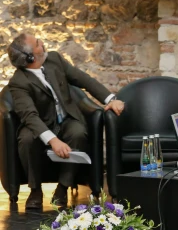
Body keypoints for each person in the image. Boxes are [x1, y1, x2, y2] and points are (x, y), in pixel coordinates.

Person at [6, 33, 127, 210]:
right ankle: (35, 190)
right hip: (38, 124)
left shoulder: (54, 59)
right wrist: (53, 141)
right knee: (26, 140)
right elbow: (30, 116)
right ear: (30, 57)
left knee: (78, 132)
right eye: (38, 44)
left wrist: (110, 99)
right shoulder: (18, 81)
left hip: (67, 119)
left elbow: (83, 79)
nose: (43, 44)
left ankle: (62, 188)